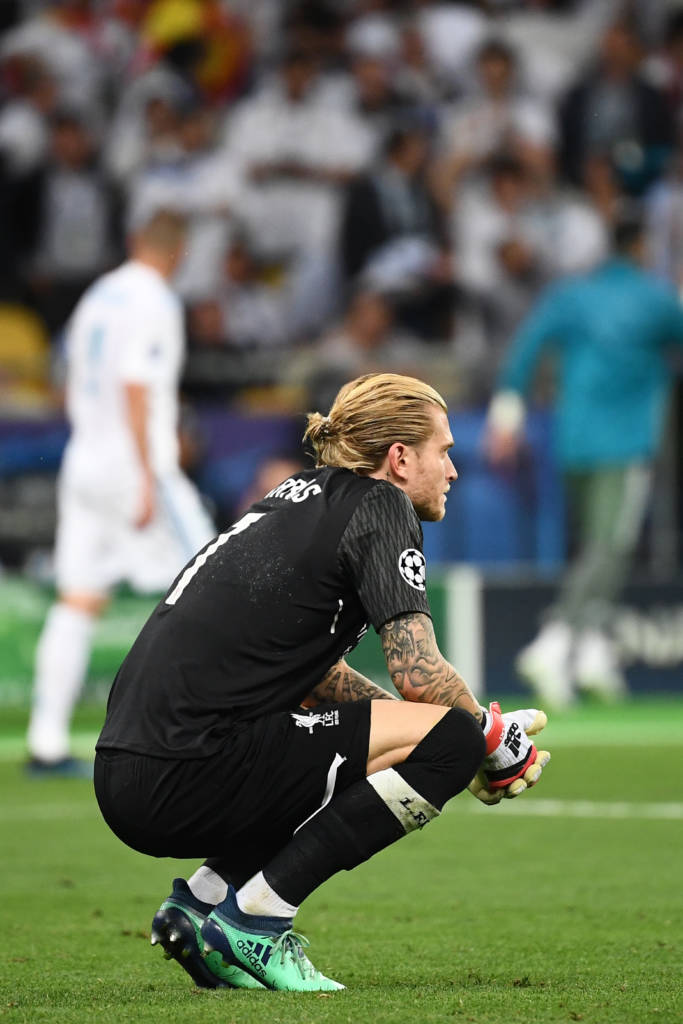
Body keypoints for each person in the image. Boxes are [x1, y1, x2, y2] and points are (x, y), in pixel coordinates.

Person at [94, 372, 550, 993]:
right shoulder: (381, 506)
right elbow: (418, 674)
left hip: (130, 771)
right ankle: (257, 921)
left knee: (430, 738)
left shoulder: (295, 497)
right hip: (190, 767)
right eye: (443, 452)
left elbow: (314, 677)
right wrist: (488, 739)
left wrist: (430, 737)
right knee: (453, 739)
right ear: (399, 459)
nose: (453, 470)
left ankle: (203, 904)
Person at [26, 208, 215, 776]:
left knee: (78, 599)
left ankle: (46, 742)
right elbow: (136, 383)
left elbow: (65, 374)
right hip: (136, 466)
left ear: (136, 241)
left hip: (85, 458)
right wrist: (144, 476)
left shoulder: (98, 295)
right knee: (221, 582)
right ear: (179, 252)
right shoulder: (155, 300)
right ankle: (206, 733)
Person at [486, 213, 683, 709]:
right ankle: (553, 642)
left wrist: (507, 413)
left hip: (572, 443)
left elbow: (528, 346)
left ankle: (594, 654)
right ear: (641, 248)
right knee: (608, 547)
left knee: (599, 545)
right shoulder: (656, 298)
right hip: (624, 445)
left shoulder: (572, 295)